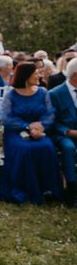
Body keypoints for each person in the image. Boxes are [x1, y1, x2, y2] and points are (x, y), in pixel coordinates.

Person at [0, 62, 62, 204]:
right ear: (26, 76)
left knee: (47, 147)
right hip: (16, 131)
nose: (39, 75)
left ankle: (48, 189)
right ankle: (23, 190)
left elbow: (50, 112)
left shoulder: (42, 92)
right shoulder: (11, 94)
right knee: (25, 149)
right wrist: (27, 126)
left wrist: (41, 126)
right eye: (36, 73)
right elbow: (5, 118)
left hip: (39, 130)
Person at [49, 58, 77, 207]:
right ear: (75, 75)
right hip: (64, 134)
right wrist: (68, 132)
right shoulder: (55, 94)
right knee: (68, 148)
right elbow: (52, 122)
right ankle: (72, 190)